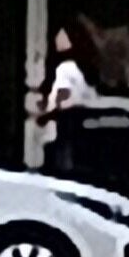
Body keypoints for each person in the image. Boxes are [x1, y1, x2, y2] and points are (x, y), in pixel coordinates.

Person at [40, 23, 96, 175]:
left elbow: (65, 96)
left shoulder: (67, 68)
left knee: (65, 144)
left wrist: (51, 109)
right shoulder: (67, 68)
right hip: (68, 116)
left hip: (69, 115)